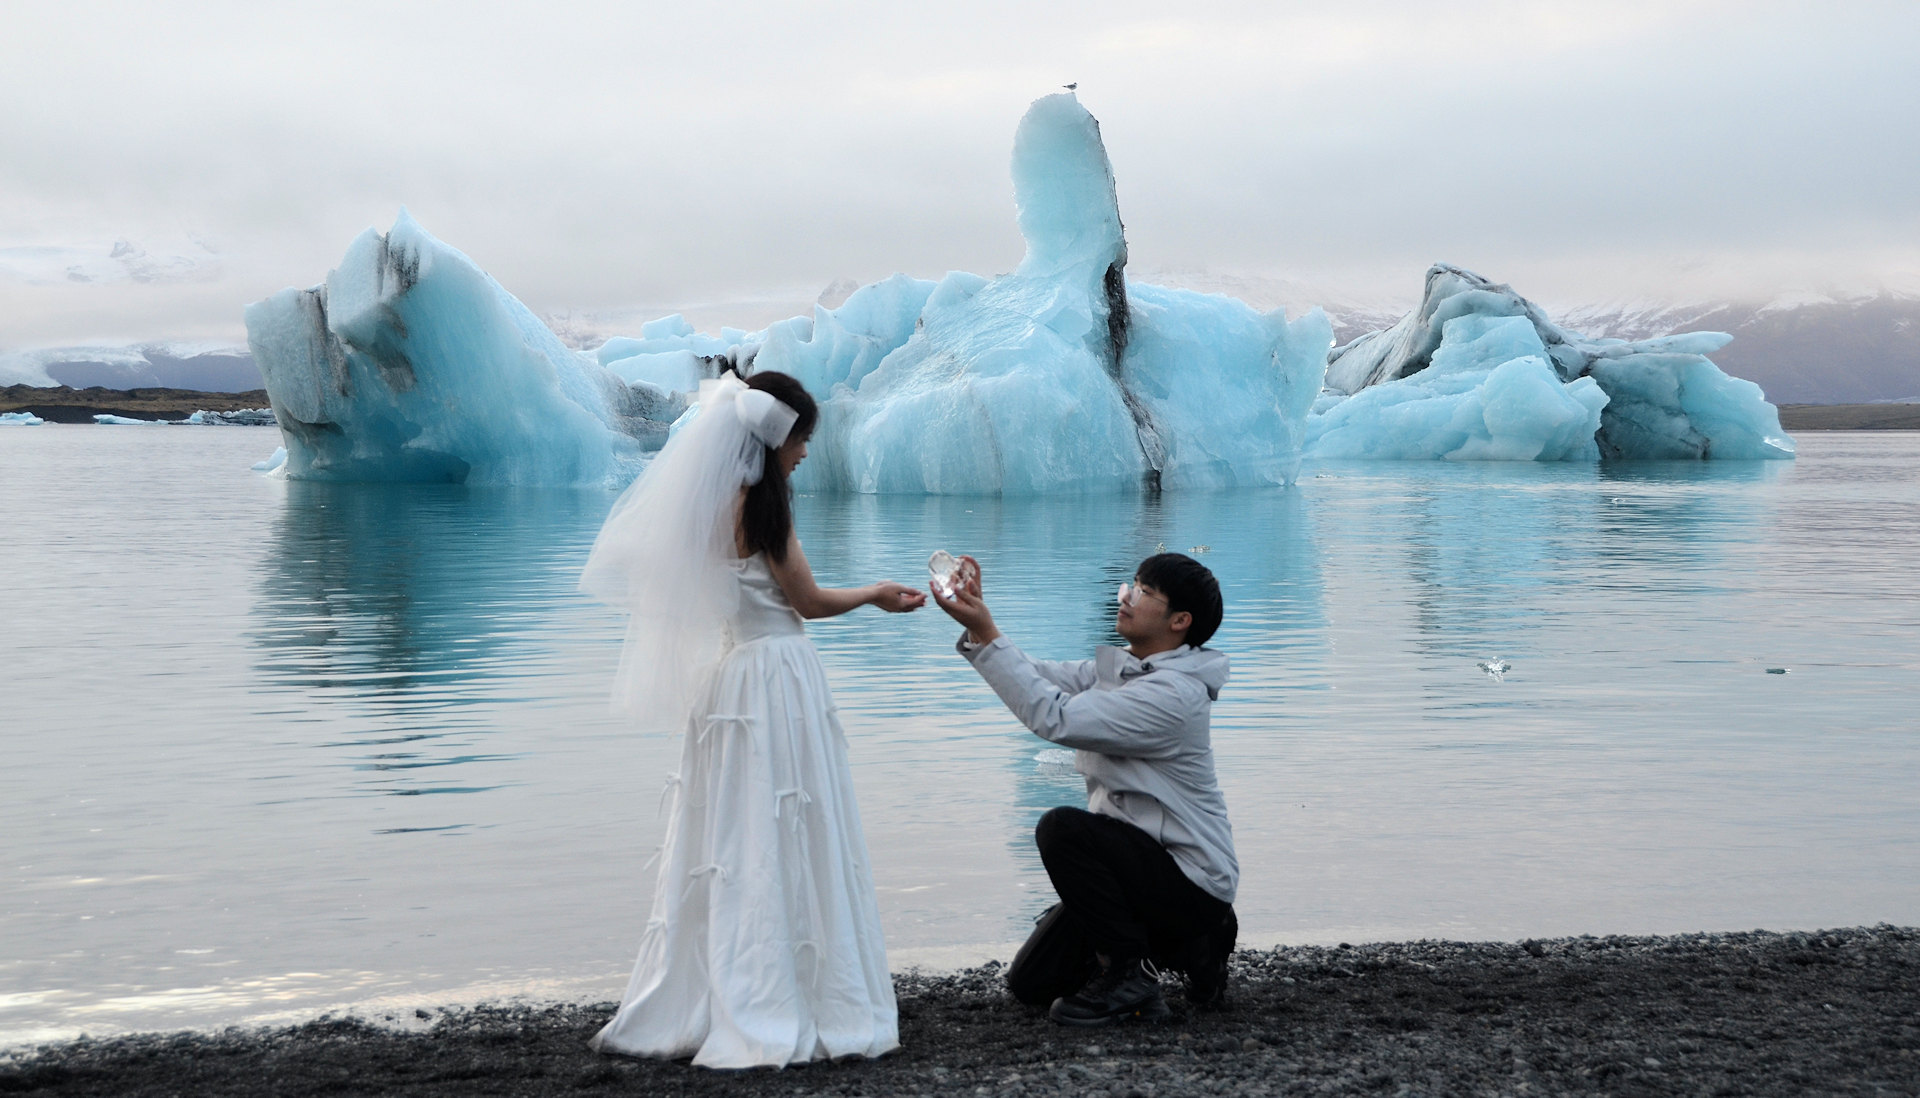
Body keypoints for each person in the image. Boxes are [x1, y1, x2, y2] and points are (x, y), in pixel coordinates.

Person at [579, 370, 924, 1068]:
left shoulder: (705, 507)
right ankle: (792, 991)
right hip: (778, 677)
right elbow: (808, 602)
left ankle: (715, 988)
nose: (804, 453)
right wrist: (876, 595)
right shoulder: (764, 512)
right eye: (801, 440)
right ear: (775, 439)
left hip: (729, 680)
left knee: (731, 832)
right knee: (789, 824)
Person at [932, 552, 1238, 1026]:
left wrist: (987, 632)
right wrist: (978, 626)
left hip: (1189, 879)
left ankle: (1131, 977)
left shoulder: (1173, 696)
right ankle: (1187, 948)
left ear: (1179, 621)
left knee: (1064, 830)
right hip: (1141, 870)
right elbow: (1038, 677)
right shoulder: (1130, 670)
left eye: (1143, 592)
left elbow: (1054, 717)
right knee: (1030, 984)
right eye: (1131, 585)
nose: (1126, 597)